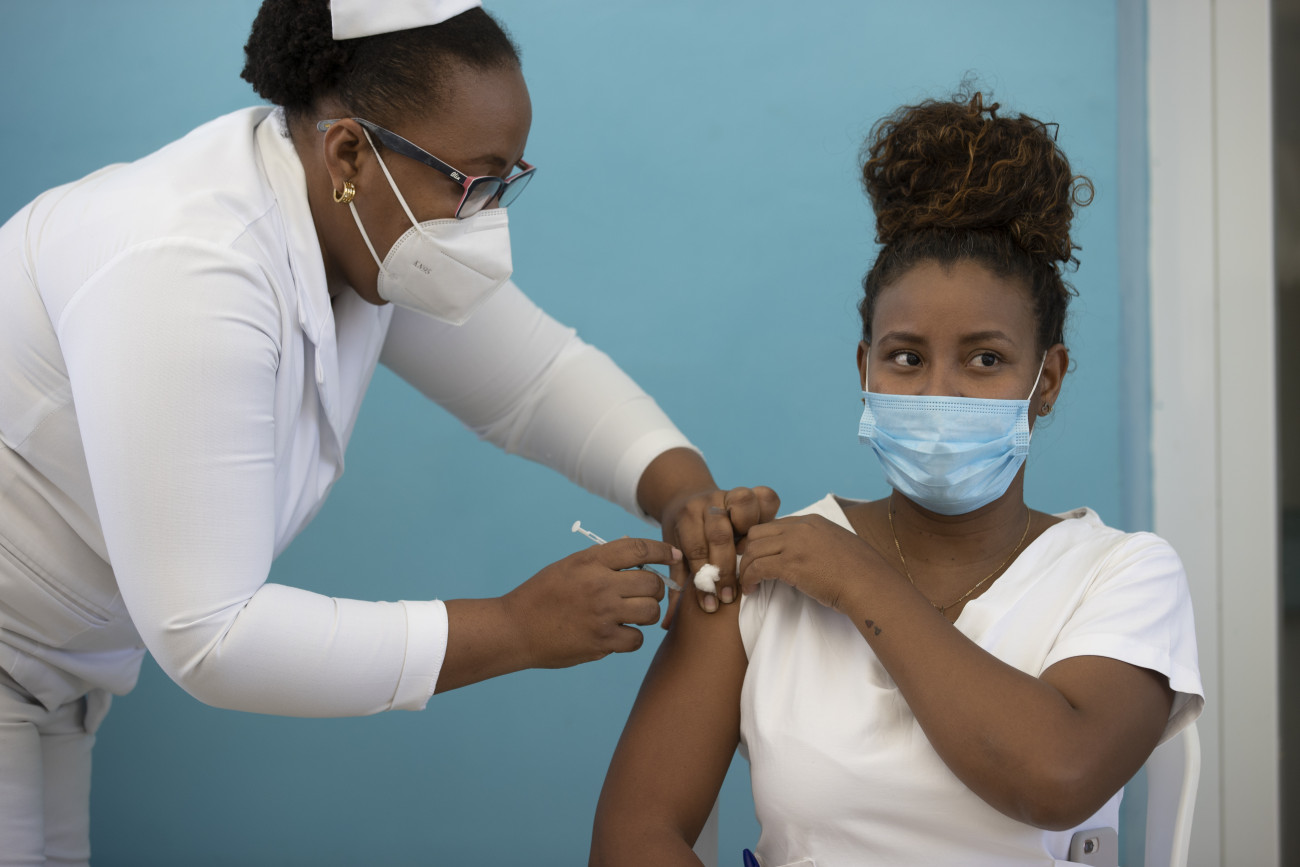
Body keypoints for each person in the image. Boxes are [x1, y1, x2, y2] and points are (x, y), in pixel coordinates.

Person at [0, 1, 774, 862]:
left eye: (506, 182)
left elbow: (536, 379)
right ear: (348, 153)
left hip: (60, 674)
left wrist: (684, 493)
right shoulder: (186, 267)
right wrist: (516, 626)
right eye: (471, 182)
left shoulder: (357, 226)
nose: (487, 217)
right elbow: (212, 635)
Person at [590, 91, 1204, 866]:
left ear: (1046, 380)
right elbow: (633, 837)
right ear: (865, 369)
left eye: (985, 358)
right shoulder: (766, 569)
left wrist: (858, 580)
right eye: (906, 357)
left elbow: (1059, 776)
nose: (940, 392)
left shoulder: (1121, 574)